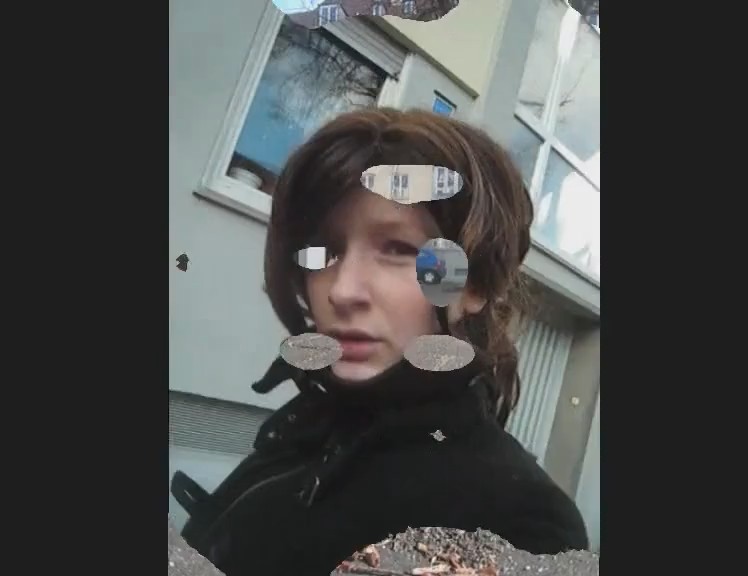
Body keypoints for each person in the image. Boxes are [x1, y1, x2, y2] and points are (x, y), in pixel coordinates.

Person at [170, 108, 589, 576]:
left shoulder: (517, 522)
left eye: (398, 249)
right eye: (327, 251)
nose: (342, 290)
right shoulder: (307, 431)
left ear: (475, 285)